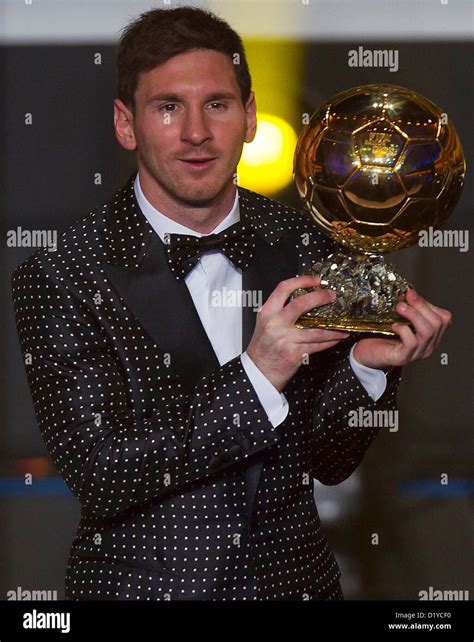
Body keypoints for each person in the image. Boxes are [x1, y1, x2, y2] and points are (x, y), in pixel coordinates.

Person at [11, 6, 452, 601]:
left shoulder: (307, 243)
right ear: (126, 123)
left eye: (217, 104)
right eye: (168, 107)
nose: (196, 131)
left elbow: (329, 462)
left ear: (248, 117)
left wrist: (364, 369)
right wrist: (257, 374)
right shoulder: (61, 272)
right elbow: (102, 474)